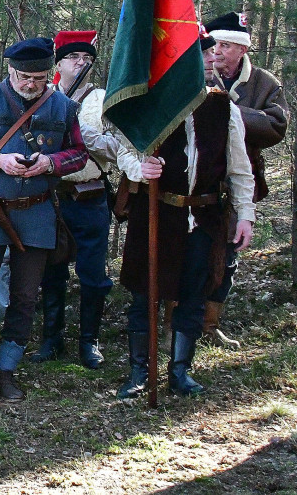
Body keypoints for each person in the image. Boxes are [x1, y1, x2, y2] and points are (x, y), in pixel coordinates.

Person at [0, 36, 88, 404]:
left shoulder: (64, 107)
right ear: (10, 71)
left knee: (25, 297)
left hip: (38, 211)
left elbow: (79, 153)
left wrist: (50, 163)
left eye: (39, 78)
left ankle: (6, 371)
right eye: (24, 77)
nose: (31, 84)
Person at [116, 35, 255, 398]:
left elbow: (240, 169)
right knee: (144, 294)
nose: (210, 58)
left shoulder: (223, 107)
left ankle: (180, 372)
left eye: (209, 52)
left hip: (203, 218)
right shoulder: (150, 103)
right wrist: (139, 168)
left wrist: (246, 215)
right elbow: (124, 151)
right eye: (200, 53)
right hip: (155, 213)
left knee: (193, 295)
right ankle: (140, 372)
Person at [32, 31, 119, 369]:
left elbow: (120, 148)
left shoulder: (103, 99)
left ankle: (89, 341)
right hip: (51, 197)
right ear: (59, 64)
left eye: (86, 59)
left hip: (89, 196)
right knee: (51, 270)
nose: (81, 63)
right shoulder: (45, 98)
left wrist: (87, 137)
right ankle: (51, 339)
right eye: (73, 58)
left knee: (93, 273)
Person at [202, 11, 289, 347]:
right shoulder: (197, 74)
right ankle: (175, 322)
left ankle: (210, 324)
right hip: (195, 180)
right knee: (186, 249)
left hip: (239, 180)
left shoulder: (265, 83)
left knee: (228, 253)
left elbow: (276, 126)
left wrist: (230, 111)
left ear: (242, 49)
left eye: (226, 45)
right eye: (214, 45)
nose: (217, 52)